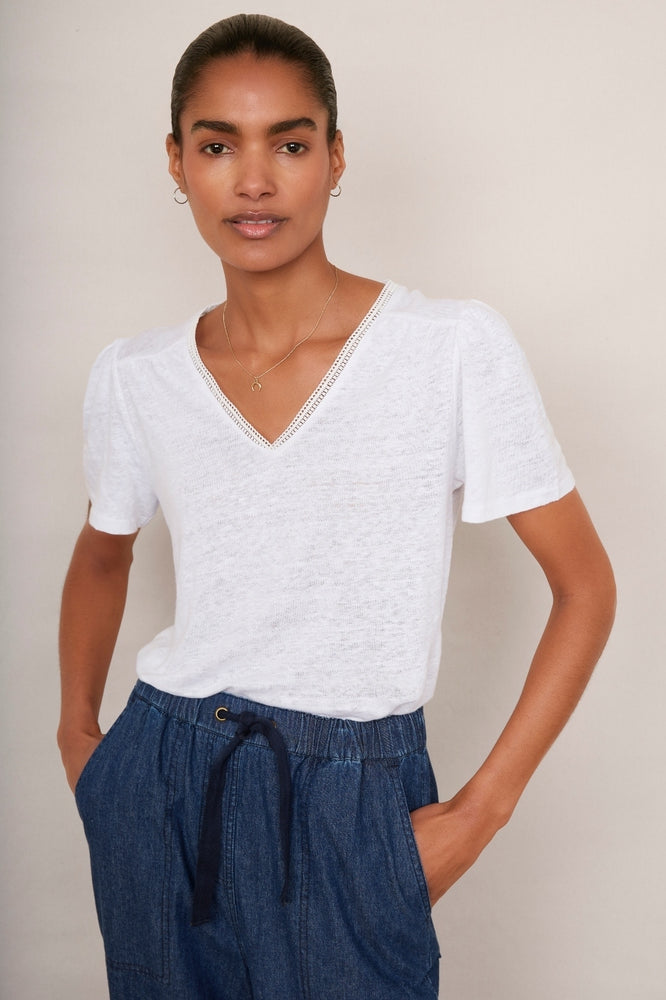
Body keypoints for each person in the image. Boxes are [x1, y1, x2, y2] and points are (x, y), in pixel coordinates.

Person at [57, 13, 616, 1000]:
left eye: (290, 143)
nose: (255, 180)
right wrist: (81, 744)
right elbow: (103, 552)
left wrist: (481, 813)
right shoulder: (135, 375)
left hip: (354, 799)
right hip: (162, 778)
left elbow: (585, 586)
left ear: (336, 157)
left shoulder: (448, 348)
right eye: (218, 146)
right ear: (177, 162)